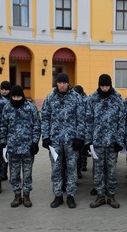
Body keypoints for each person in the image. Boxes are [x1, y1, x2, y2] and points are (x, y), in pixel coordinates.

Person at [41, 73, 85, 209]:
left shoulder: (76, 98)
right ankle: (58, 195)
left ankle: (71, 195)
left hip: (71, 141)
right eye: (59, 82)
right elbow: (45, 118)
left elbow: (81, 119)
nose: (61, 85)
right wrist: (46, 136)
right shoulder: (50, 98)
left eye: (64, 82)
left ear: (68, 83)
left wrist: (79, 137)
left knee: (72, 168)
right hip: (55, 141)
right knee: (56, 169)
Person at [86, 74, 125, 209]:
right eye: (102, 86)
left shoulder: (118, 99)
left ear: (110, 85)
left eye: (107, 86)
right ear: (99, 85)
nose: (104, 88)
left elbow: (122, 121)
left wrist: (120, 140)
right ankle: (100, 195)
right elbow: (88, 120)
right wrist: (88, 140)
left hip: (112, 143)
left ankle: (111, 195)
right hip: (97, 142)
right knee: (98, 170)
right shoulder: (92, 99)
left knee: (112, 170)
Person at [0, 85, 41, 208]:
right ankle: (17, 195)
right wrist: (3, 142)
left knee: (27, 173)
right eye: (14, 96)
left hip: (28, 147)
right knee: (14, 173)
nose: (16, 99)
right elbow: (3, 126)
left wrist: (35, 142)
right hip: (12, 147)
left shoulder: (30, 108)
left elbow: (37, 126)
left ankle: (27, 195)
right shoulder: (7, 108)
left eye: (18, 96)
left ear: (22, 96)